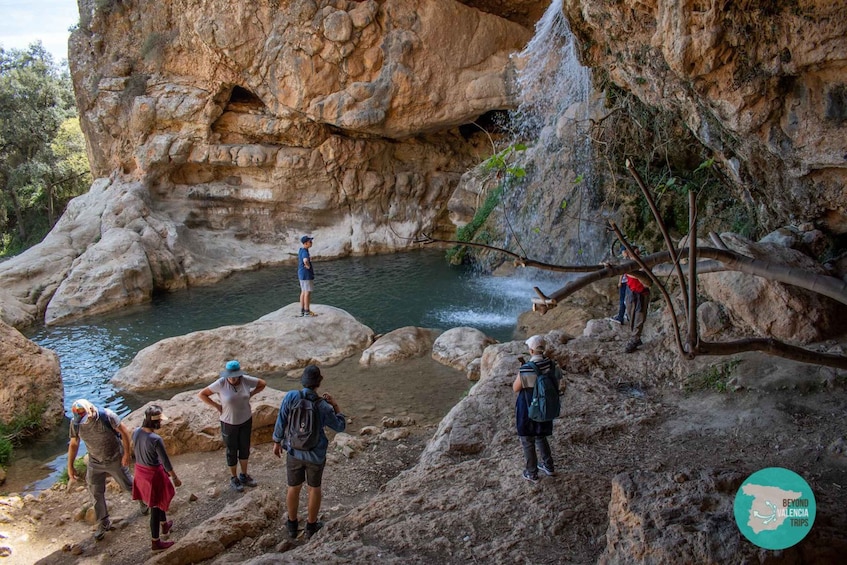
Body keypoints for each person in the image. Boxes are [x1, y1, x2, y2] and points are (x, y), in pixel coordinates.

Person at [272, 365, 346, 540]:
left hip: (294, 451)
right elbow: (340, 427)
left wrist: (277, 441)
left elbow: (281, 419)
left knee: (293, 487)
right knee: (314, 489)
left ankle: (292, 525)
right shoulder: (323, 406)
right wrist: (335, 405)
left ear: (303, 381)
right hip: (315, 455)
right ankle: (311, 527)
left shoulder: (291, 396)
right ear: (318, 383)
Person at [67, 399, 147, 541]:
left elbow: (124, 432)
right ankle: (103, 521)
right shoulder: (75, 423)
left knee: (128, 484)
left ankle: (144, 501)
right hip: (94, 461)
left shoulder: (107, 416)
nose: (84, 421)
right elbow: (74, 443)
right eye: (81, 419)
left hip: (115, 457)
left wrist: (127, 454)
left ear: (91, 409)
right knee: (95, 491)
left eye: (85, 417)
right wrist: (70, 466)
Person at [198, 360, 267, 492]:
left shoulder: (245, 380)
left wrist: (251, 394)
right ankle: (234, 477)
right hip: (228, 422)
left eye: (235, 376)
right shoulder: (221, 383)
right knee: (232, 450)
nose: (233, 378)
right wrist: (217, 406)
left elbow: (262, 383)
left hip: (245, 419)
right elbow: (202, 394)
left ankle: (244, 475)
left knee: (244, 447)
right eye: (231, 376)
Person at [512, 335, 563, 483]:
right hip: (545, 406)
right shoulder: (551, 364)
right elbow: (558, 379)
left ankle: (531, 472)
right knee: (541, 435)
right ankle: (548, 466)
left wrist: (522, 370)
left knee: (527, 440)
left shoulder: (527, 368)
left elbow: (516, 388)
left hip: (528, 407)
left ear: (531, 350)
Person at [132, 405, 182, 552]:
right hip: (153, 475)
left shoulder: (135, 432)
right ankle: (156, 542)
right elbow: (165, 461)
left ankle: (164, 525)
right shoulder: (155, 439)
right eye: (160, 420)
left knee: (158, 501)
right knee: (155, 506)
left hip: (140, 472)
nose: (161, 423)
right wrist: (175, 478)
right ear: (155, 423)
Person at [623, 248, 652, 353]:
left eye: (638, 252)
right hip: (630, 291)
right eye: (634, 253)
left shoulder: (645, 264)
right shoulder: (627, 263)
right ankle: (635, 337)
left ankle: (634, 339)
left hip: (641, 294)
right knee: (631, 315)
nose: (637, 254)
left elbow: (647, 283)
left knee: (639, 317)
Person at [298, 235, 316, 317]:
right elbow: (305, 260)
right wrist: (308, 265)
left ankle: (302, 310)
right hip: (306, 274)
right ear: (305, 243)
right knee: (307, 293)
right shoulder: (305, 252)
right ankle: (307, 311)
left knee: (303, 291)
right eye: (310, 242)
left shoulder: (301, 250)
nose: (311, 243)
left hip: (301, 274)